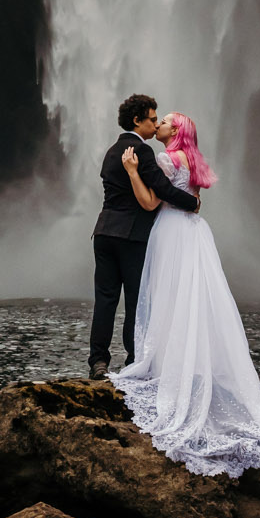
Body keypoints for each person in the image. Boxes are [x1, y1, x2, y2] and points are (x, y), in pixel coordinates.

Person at [108, 110, 260, 477]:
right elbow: (190, 198)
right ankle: (198, 368)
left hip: (171, 230)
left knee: (171, 299)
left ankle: (168, 370)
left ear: (174, 130)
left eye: (163, 121)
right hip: (195, 231)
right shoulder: (193, 160)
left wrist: (131, 171)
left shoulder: (164, 159)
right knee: (197, 299)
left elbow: (149, 202)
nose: (158, 124)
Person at [90, 92, 196, 379]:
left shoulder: (112, 151)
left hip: (103, 233)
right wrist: (192, 203)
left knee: (105, 299)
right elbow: (162, 189)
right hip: (132, 236)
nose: (154, 125)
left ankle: (98, 363)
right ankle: (134, 361)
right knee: (136, 300)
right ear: (137, 121)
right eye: (151, 120)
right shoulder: (143, 151)